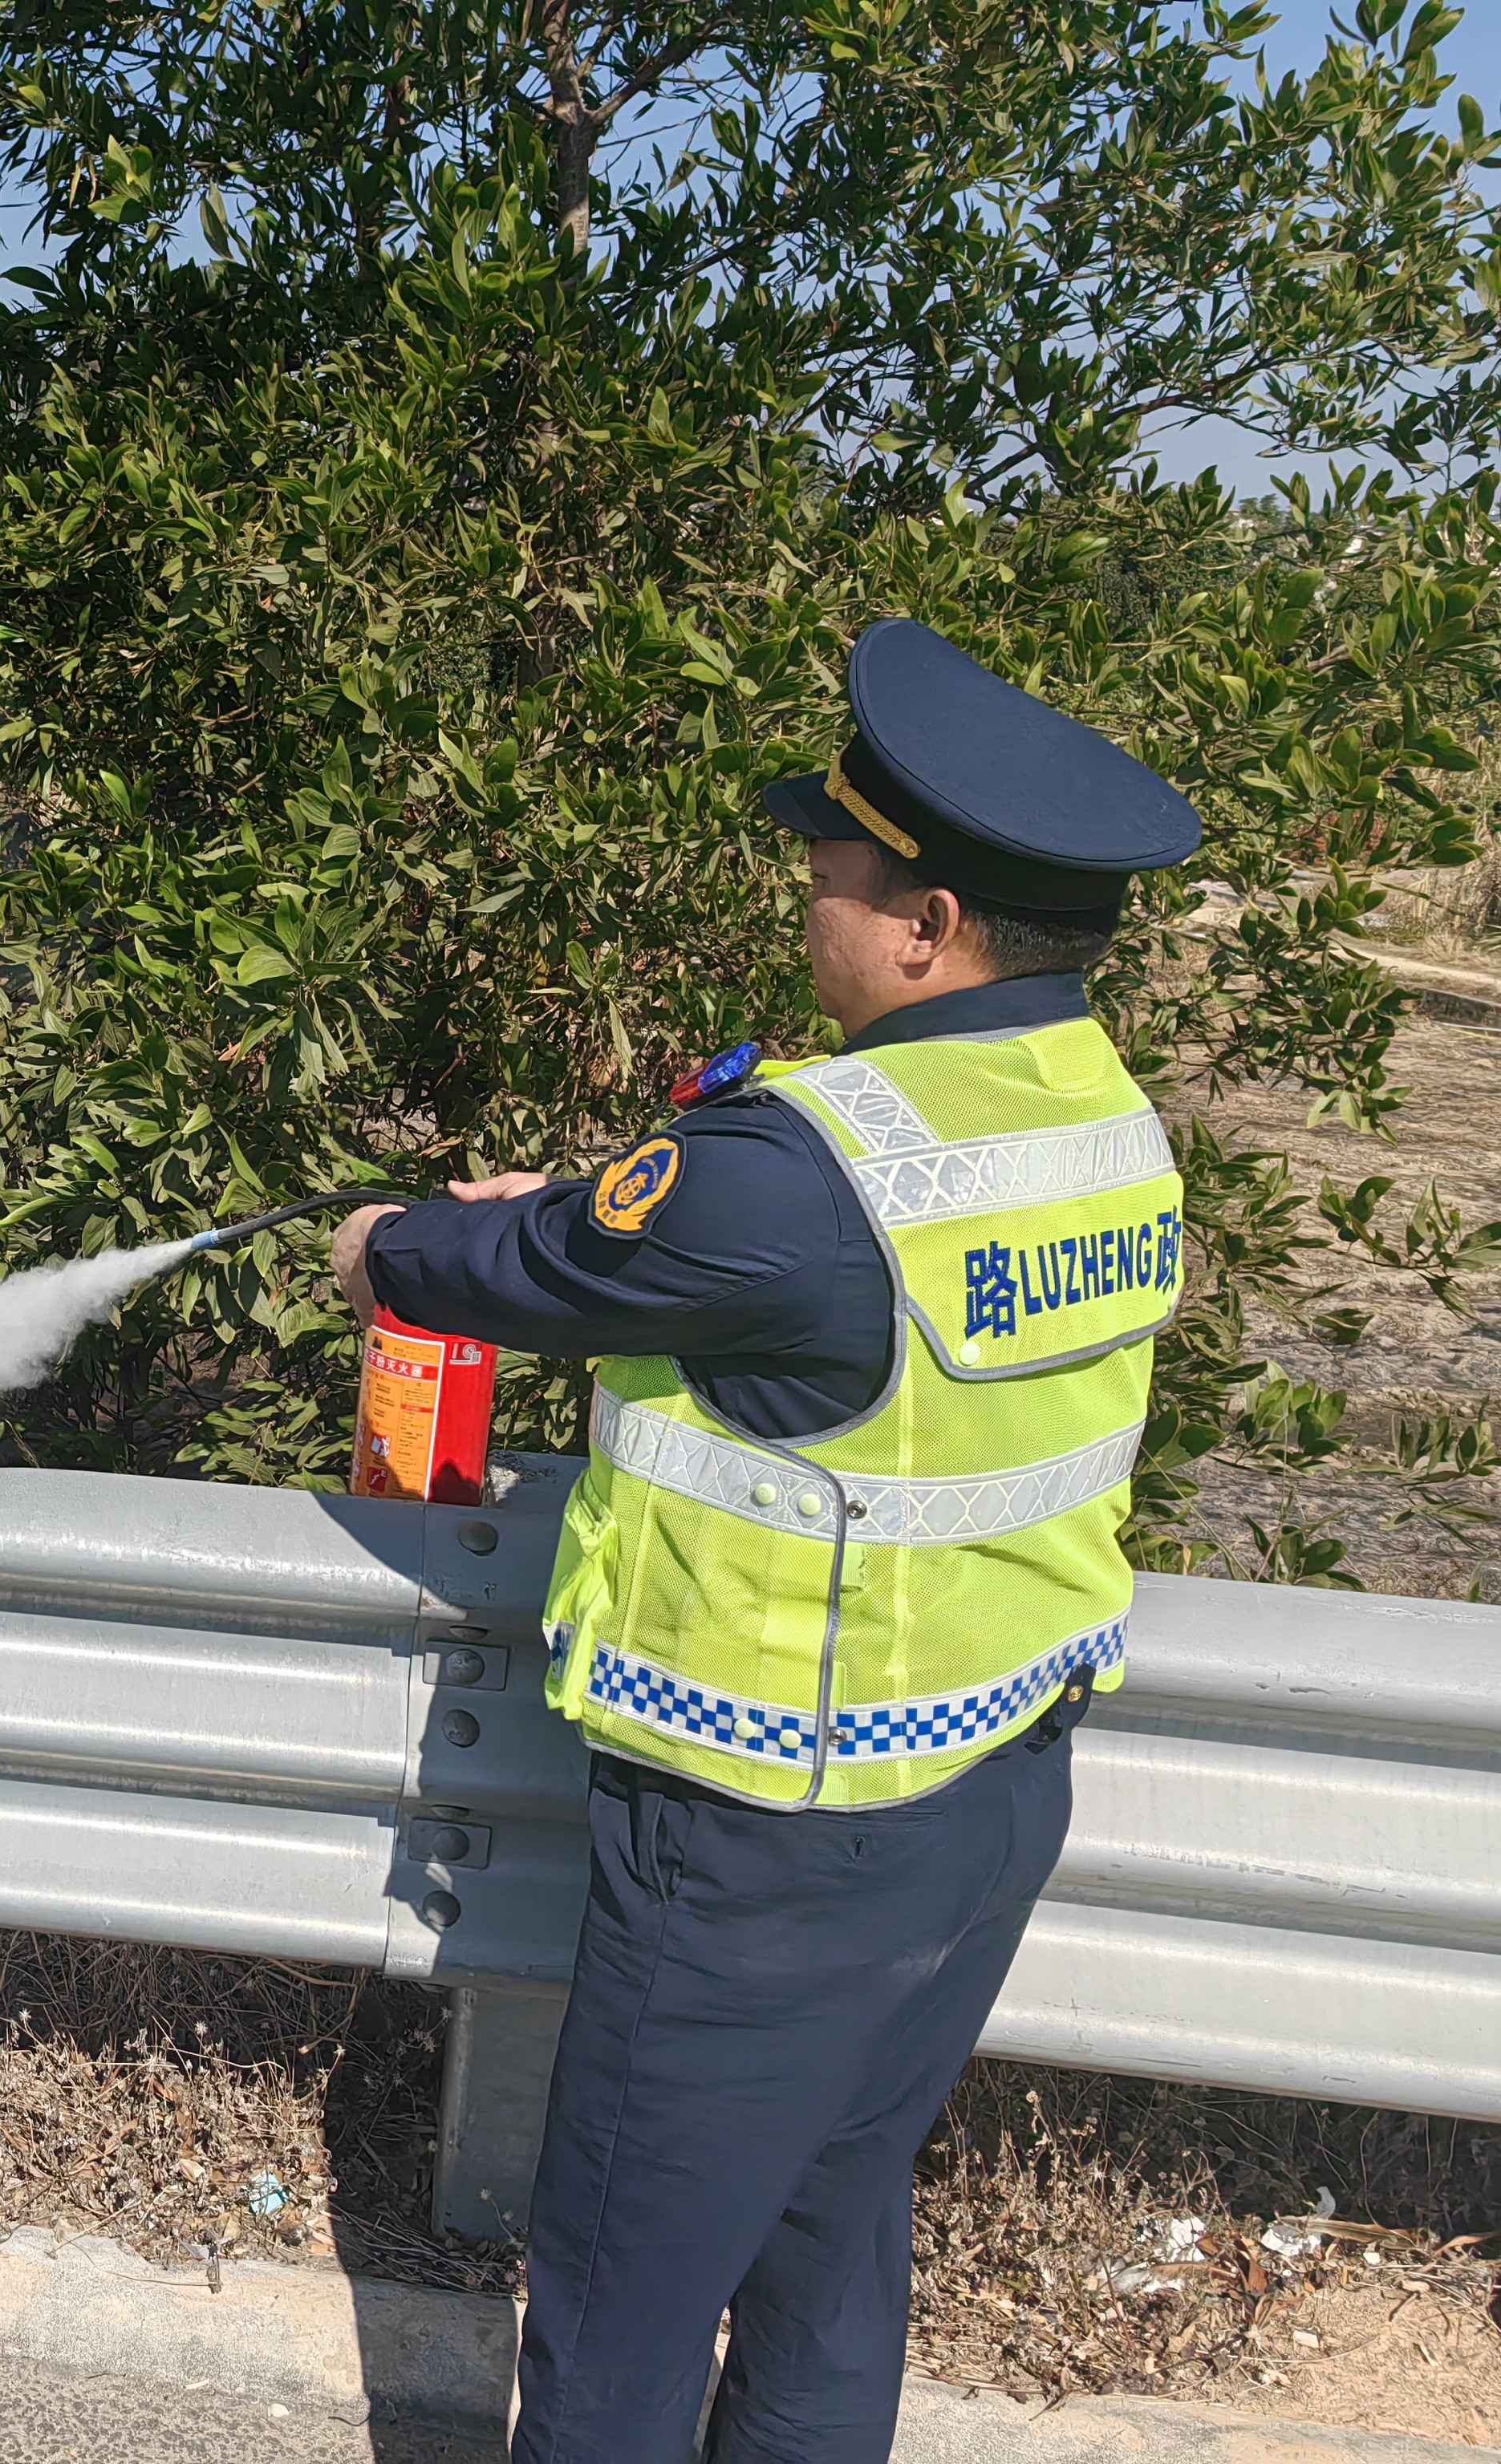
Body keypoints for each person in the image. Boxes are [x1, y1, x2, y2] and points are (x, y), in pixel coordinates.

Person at [334, 617, 1203, 2464]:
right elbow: (727, 1292)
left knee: (620, 2307)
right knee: (828, 2254)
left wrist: (382, 1245)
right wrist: (590, 1227)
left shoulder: (808, 1162)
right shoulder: (1097, 1118)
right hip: (984, 1793)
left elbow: (538, 1264)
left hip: (767, 1843)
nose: (807, 903)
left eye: (832, 874)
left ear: (924, 924)